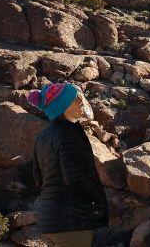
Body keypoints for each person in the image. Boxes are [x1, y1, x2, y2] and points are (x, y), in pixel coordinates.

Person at [29, 83, 108, 247]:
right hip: (71, 222)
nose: (81, 103)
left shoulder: (43, 135)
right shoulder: (69, 134)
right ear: (64, 106)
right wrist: (98, 198)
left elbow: (38, 179)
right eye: (76, 99)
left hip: (48, 221)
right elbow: (74, 177)